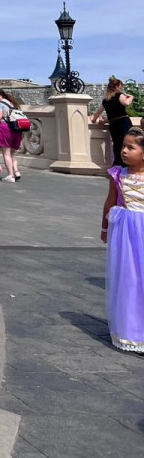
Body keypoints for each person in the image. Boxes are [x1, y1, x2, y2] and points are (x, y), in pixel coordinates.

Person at [100, 128, 144, 354]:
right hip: (126, 235)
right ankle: (130, 331)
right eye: (123, 146)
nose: (124, 151)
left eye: (131, 147)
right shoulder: (118, 175)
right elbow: (110, 202)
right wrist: (104, 227)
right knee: (129, 279)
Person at [92, 76, 135, 167]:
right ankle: (127, 166)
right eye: (120, 86)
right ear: (116, 87)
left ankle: (118, 165)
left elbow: (99, 112)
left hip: (114, 125)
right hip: (124, 123)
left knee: (117, 145)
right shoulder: (120, 95)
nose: (121, 88)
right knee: (126, 144)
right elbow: (126, 103)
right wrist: (131, 97)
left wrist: (95, 119)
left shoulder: (106, 100)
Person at [0, 89, 25, 182]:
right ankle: (16, 171)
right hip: (16, 128)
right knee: (12, 152)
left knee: (6, 153)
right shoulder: (12, 104)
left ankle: (10, 175)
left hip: (5, 127)